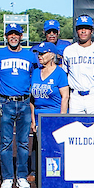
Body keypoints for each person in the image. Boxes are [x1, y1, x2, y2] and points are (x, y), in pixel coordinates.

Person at [0, 24, 38, 188]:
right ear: (6, 36)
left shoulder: (30, 56)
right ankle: (7, 177)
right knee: (5, 142)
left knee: (23, 142)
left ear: (21, 36)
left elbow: (36, 75)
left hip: (24, 102)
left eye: (16, 34)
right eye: (10, 34)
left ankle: (21, 175)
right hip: (5, 102)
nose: (13, 37)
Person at [29, 41, 70, 177]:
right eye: (38, 54)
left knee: (55, 147)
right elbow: (32, 99)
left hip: (54, 115)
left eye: (42, 53)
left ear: (52, 55)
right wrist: (33, 120)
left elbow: (65, 97)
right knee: (39, 145)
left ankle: (55, 174)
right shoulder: (35, 72)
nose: (39, 56)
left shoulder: (60, 73)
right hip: (39, 116)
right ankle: (37, 172)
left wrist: (61, 118)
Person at [62, 15, 94, 116]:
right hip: (75, 97)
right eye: (80, 28)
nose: (83, 31)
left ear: (92, 30)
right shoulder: (69, 51)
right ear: (76, 30)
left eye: (86, 28)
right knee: (75, 129)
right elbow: (65, 77)